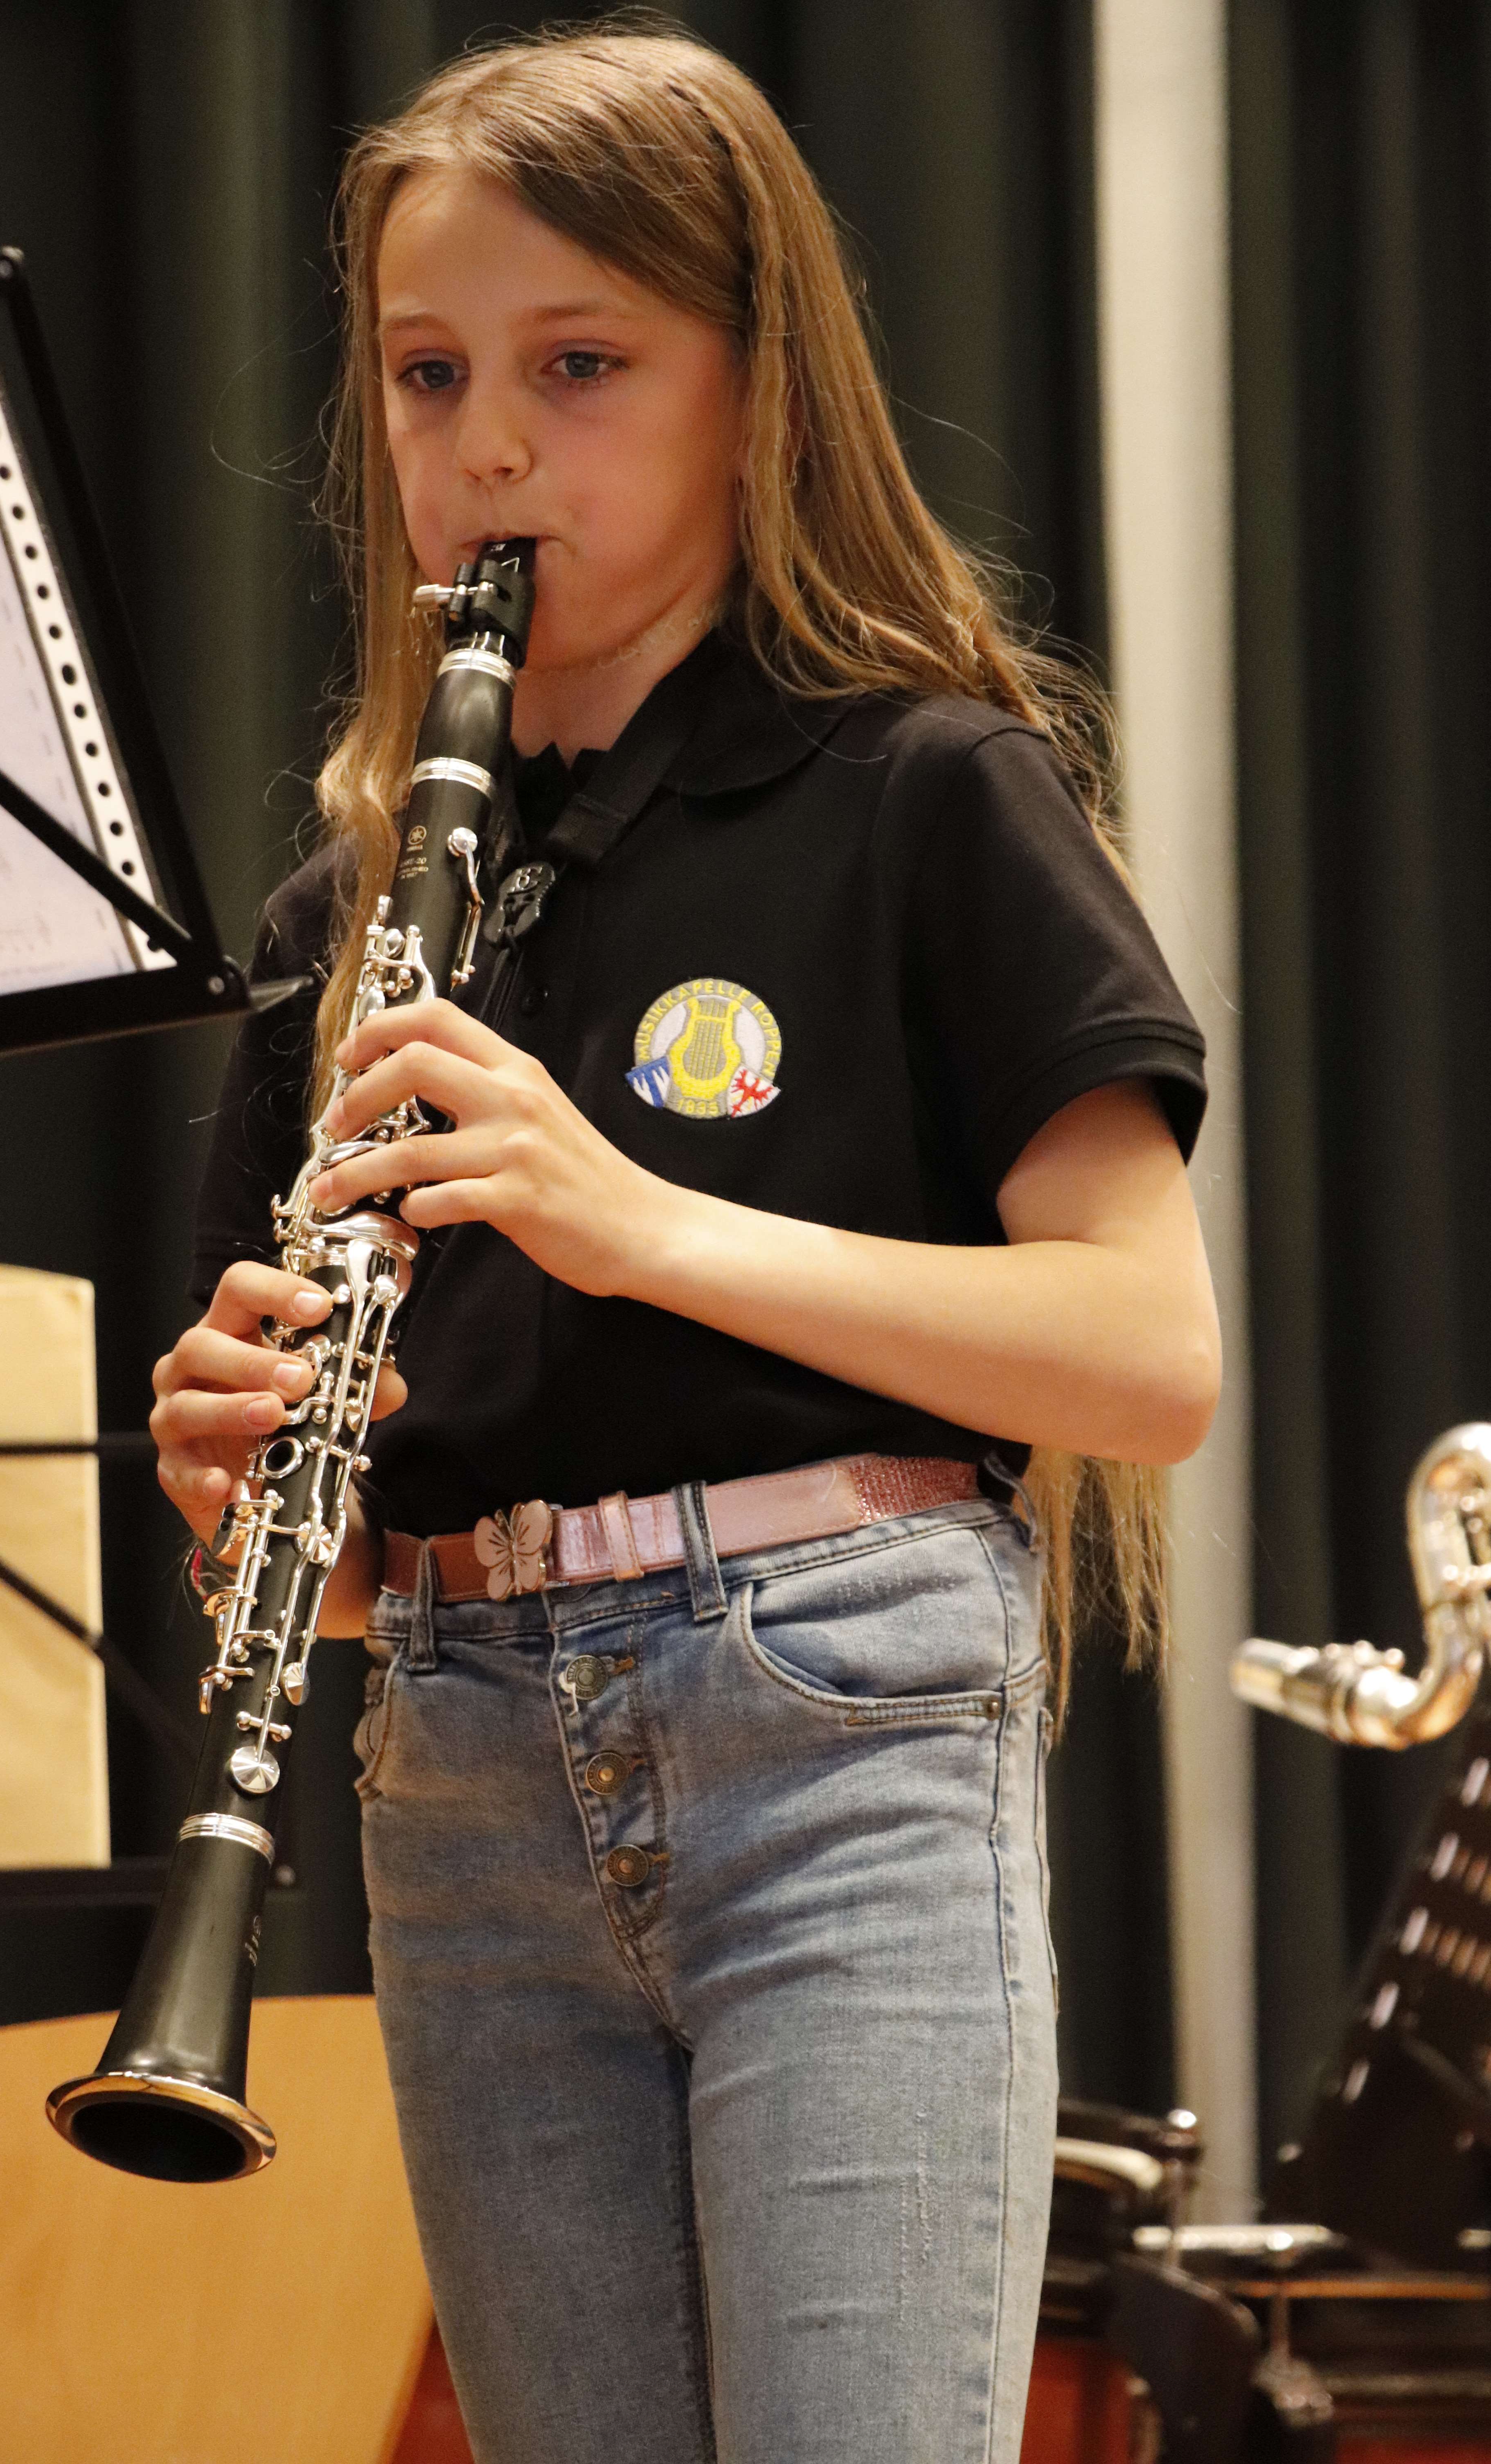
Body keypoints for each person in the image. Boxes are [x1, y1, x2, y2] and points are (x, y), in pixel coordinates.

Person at [152, 25, 1219, 2464]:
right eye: (427, 374)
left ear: (759, 390)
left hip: (831, 1734)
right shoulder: (349, 918)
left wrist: (640, 1224)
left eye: (581, 365)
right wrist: (240, 1487)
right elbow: (325, 1577)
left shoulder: (927, 790)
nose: (487, 447)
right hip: (459, 1772)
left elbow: (1148, 1356)